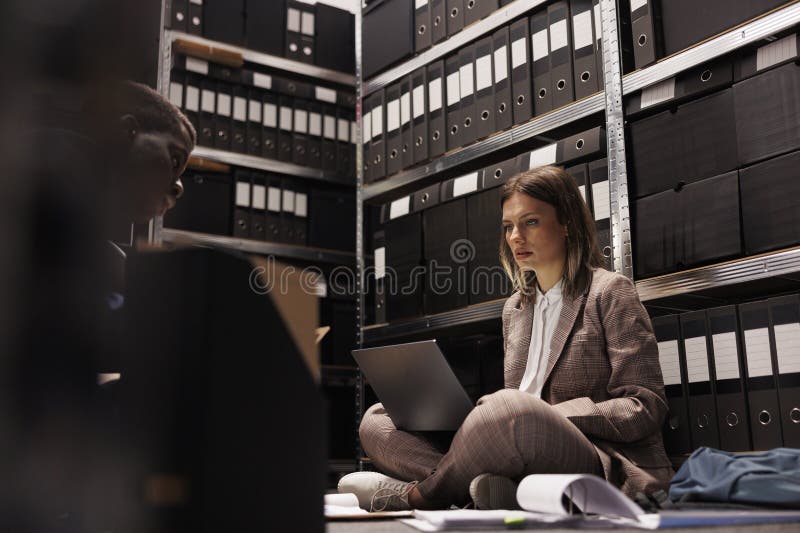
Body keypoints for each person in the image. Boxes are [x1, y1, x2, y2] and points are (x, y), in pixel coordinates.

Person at [339, 165, 673, 511]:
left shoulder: (610, 291)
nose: (515, 237)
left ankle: (420, 495)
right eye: (508, 227)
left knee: (506, 408)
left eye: (530, 222)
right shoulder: (515, 309)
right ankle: (479, 485)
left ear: (567, 223)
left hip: (591, 453)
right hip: (514, 437)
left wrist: (547, 415)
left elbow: (644, 405)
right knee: (377, 419)